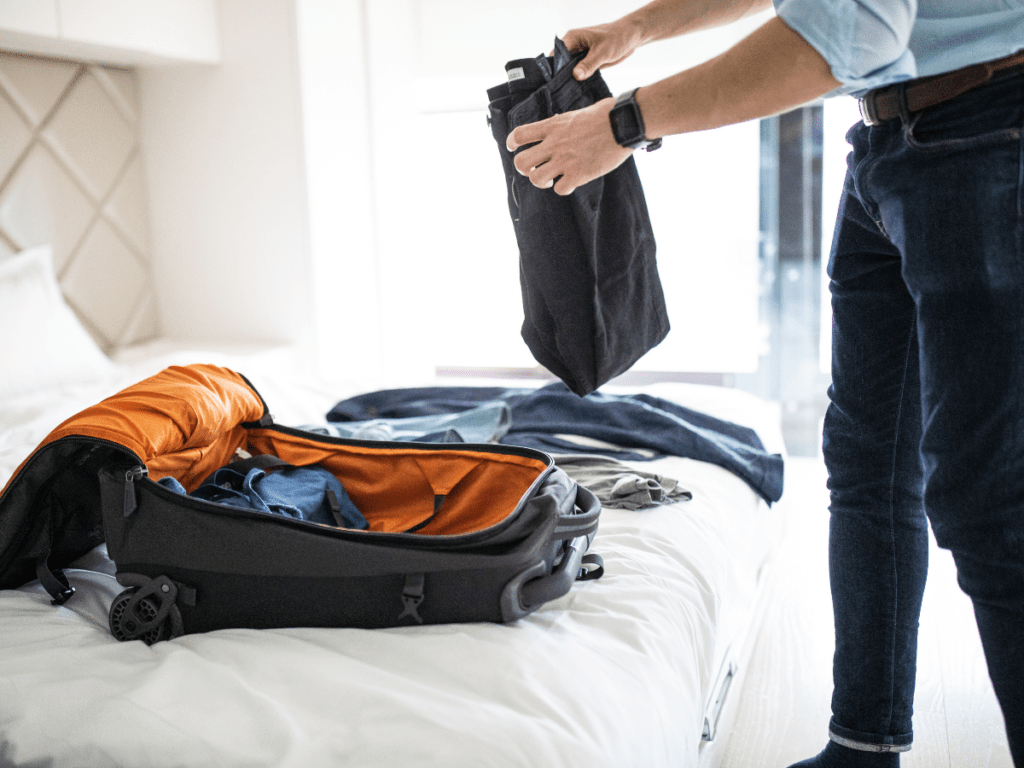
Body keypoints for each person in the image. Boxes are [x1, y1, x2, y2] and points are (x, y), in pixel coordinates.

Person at [504, 2, 1024, 766]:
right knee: (867, 467)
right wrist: (641, 30)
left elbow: (850, 33)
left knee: (989, 503)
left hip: (982, 134)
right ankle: (861, 747)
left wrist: (621, 125)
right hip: (890, 140)